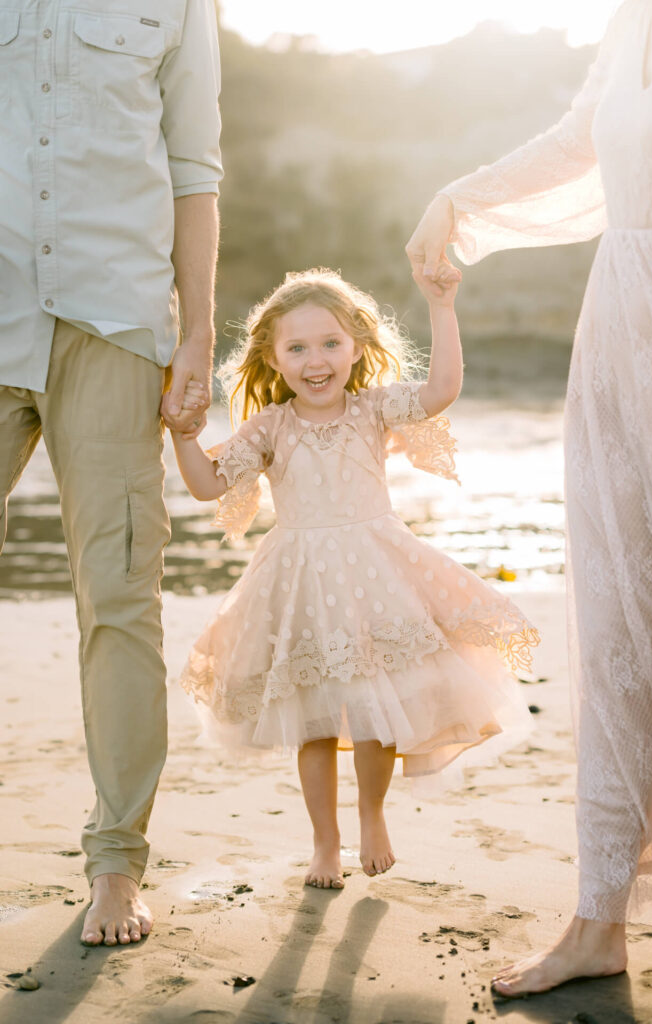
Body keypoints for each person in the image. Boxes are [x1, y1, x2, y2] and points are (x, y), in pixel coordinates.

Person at [406, 0, 652, 996]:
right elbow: (576, 142)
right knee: (617, 620)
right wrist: (459, 198)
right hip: (620, 332)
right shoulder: (629, 21)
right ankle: (596, 920)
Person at [171, 267, 539, 889]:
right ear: (273, 357)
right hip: (301, 587)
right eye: (298, 348)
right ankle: (324, 844)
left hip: (377, 576)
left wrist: (440, 304)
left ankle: (372, 816)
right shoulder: (272, 427)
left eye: (330, 343)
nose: (317, 361)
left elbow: (443, 388)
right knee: (312, 722)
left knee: (376, 711)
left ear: (357, 346)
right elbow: (207, 484)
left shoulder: (373, 409)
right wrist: (183, 436)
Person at [0, 0, 223, 946]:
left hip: (118, 323)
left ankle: (116, 864)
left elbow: (193, 165)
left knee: (121, 596)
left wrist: (200, 328)